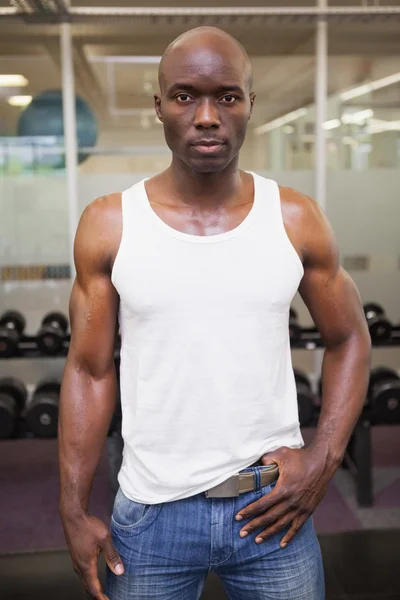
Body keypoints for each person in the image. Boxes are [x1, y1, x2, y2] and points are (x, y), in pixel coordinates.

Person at [58, 26, 371, 600]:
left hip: (273, 509)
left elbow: (350, 337)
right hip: (151, 518)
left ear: (251, 103)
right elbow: (88, 370)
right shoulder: (109, 224)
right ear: (159, 107)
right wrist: (73, 508)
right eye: (185, 96)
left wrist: (324, 456)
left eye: (227, 96)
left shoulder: (295, 218)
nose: (207, 116)